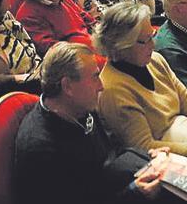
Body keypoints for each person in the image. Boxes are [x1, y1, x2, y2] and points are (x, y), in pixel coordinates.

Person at [94, 2, 187, 170]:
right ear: (121, 46)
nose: (153, 44)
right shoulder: (113, 89)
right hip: (167, 161)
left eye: (152, 36)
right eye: (145, 40)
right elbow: (143, 148)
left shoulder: (155, 60)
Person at [14, 41, 167, 204]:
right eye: (95, 77)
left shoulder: (80, 108)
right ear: (68, 86)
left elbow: (109, 154)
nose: (101, 86)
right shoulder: (41, 149)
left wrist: (146, 156)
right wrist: (133, 193)